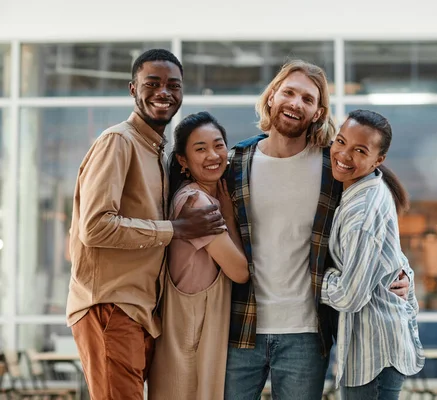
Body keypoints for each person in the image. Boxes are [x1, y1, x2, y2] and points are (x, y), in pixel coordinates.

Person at [223, 60, 411, 400]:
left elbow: (375, 226)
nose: (296, 103)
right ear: (272, 97)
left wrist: (403, 274)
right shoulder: (237, 162)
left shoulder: (334, 166)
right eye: (289, 92)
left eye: (307, 99)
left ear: (317, 112)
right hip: (243, 327)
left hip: (307, 334)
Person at [66, 49, 224, 400]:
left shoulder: (154, 151)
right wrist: (176, 229)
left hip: (139, 313)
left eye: (173, 85)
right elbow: (94, 227)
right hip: (110, 306)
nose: (163, 92)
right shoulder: (118, 142)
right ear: (132, 89)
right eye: (152, 83)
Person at [321, 109, 425, 399]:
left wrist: (306, 277)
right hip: (372, 352)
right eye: (340, 142)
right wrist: (404, 278)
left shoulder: (362, 208)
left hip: (373, 355)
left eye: (360, 150)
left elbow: (350, 295)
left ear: (378, 160)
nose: (344, 154)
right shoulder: (364, 189)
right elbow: (393, 260)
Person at [147, 112, 249, 399]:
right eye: (200, 149)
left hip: (190, 337)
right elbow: (240, 271)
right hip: (189, 341)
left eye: (218, 145)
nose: (213, 155)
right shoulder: (197, 203)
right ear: (183, 160)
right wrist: (228, 215)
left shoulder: (196, 197)